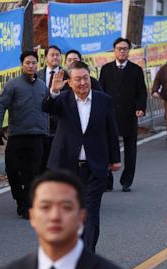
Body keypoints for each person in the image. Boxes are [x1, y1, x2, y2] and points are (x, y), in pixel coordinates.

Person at [0, 170, 135, 269]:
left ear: (81, 216)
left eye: (66, 207)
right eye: (45, 207)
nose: (55, 216)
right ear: (33, 216)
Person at [42, 61, 121, 252]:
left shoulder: (103, 100)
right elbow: (46, 107)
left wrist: (115, 158)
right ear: (69, 82)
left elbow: (111, 130)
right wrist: (53, 91)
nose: (83, 82)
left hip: (94, 167)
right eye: (77, 79)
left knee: (90, 213)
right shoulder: (62, 100)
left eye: (85, 78)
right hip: (67, 168)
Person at [0, 51, 48, 219]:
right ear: (22, 64)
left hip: (38, 135)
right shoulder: (13, 85)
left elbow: (48, 109)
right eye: (28, 63)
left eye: (34, 63)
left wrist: (46, 130)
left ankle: (28, 204)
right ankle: (20, 199)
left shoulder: (42, 86)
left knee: (33, 172)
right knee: (12, 170)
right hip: (17, 135)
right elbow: (1, 105)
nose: (31, 66)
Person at [99, 37, 147, 192]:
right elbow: (101, 91)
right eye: (119, 48)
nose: (122, 51)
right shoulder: (106, 69)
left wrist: (140, 107)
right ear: (114, 50)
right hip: (109, 114)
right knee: (106, 148)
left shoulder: (136, 70)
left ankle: (127, 181)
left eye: (125, 48)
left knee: (130, 149)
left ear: (129, 51)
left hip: (129, 113)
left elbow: (141, 92)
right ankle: (107, 180)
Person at [37, 45, 69, 172]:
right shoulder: (37, 75)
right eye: (52, 54)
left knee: (58, 160)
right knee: (42, 160)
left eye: (58, 55)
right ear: (45, 58)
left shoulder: (67, 76)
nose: (55, 57)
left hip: (60, 122)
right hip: (41, 122)